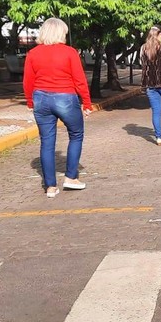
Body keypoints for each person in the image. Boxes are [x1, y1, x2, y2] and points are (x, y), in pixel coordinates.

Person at [24, 17, 93, 198]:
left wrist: (30, 102)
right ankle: (71, 177)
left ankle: (50, 187)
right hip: (65, 97)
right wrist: (87, 102)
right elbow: (79, 79)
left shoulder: (33, 53)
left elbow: (28, 81)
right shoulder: (70, 52)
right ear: (61, 33)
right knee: (76, 134)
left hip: (41, 98)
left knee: (47, 142)